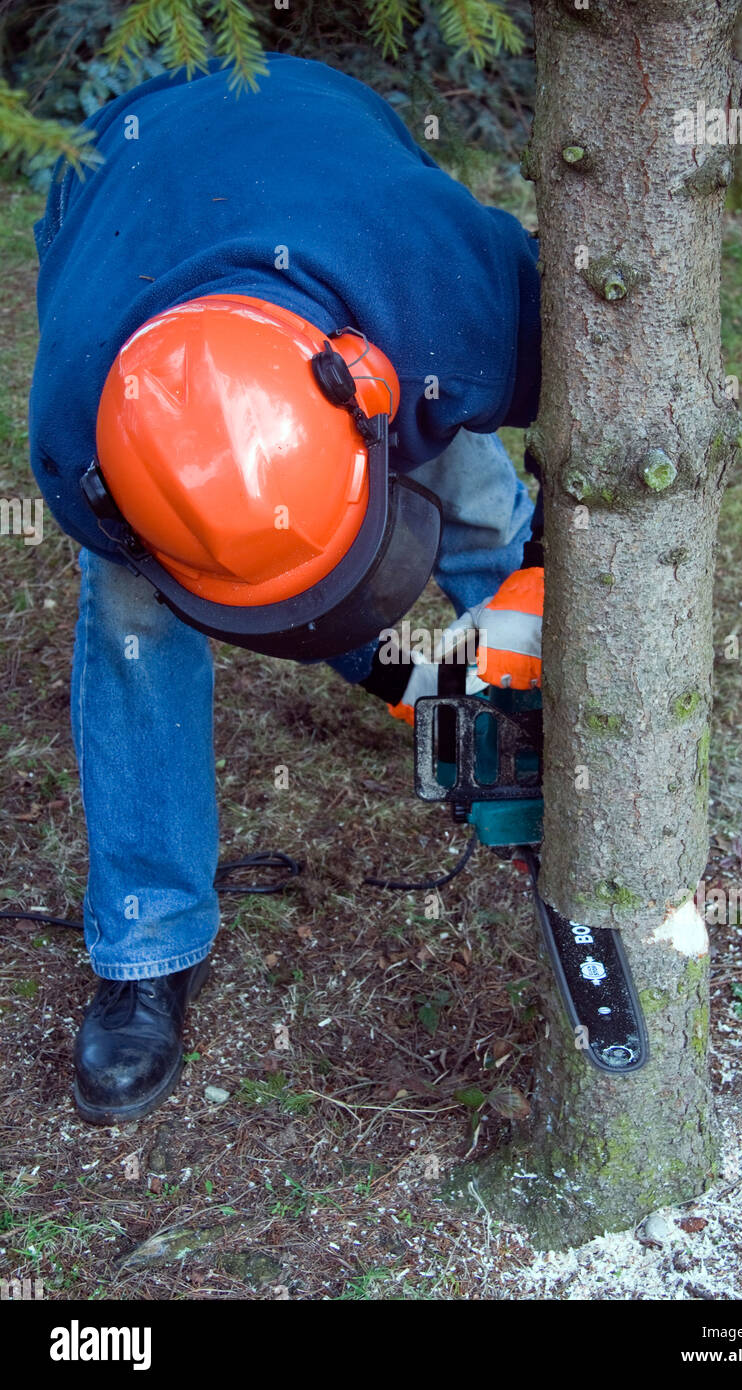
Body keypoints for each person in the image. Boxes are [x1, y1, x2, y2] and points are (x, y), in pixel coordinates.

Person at [28, 52, 543, 1125]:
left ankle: (530, 728)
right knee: (129, 622)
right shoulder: (83, 436)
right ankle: (147, 937)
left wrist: (529, 650)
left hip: (326, 159)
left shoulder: (452, 282)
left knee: (487, 510)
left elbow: (613, 401)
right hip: (124, 189)